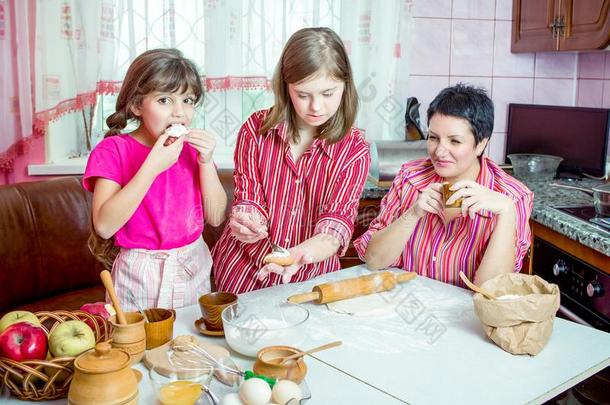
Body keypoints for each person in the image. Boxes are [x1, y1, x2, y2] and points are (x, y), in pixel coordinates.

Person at [212, 27, 370, 294]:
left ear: (346, 85)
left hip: (308, 282)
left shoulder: (354, 149)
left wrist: (298, 255)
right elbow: (248, 199)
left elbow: (337, 224)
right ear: (286, 87)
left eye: (328, 94)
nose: (316, 107)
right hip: (242, 273)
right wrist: (246, 223)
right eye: (303, 95)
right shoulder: (256, 130)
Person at [84, 48, 227, 310]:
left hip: (191, 266)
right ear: (138, 105)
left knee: (188, 347)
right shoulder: (113, 150)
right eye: (164, 100)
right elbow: (104, 226)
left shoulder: (192, 152)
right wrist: (152, 166)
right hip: (138, 274)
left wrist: (206, 163)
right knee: (140, 347)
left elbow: (216, 216)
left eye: (188, 100)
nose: (179, 112)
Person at [355, 84, 533, 287]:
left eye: (455, 141)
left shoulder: (513, 197)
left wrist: (507, 212)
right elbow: (374, 260)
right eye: (433, 138)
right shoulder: (409, 177)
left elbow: (491, 290)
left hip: (469, 315)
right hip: (411, 307)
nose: (439, 151)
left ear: (482, 143)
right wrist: (413, 213)